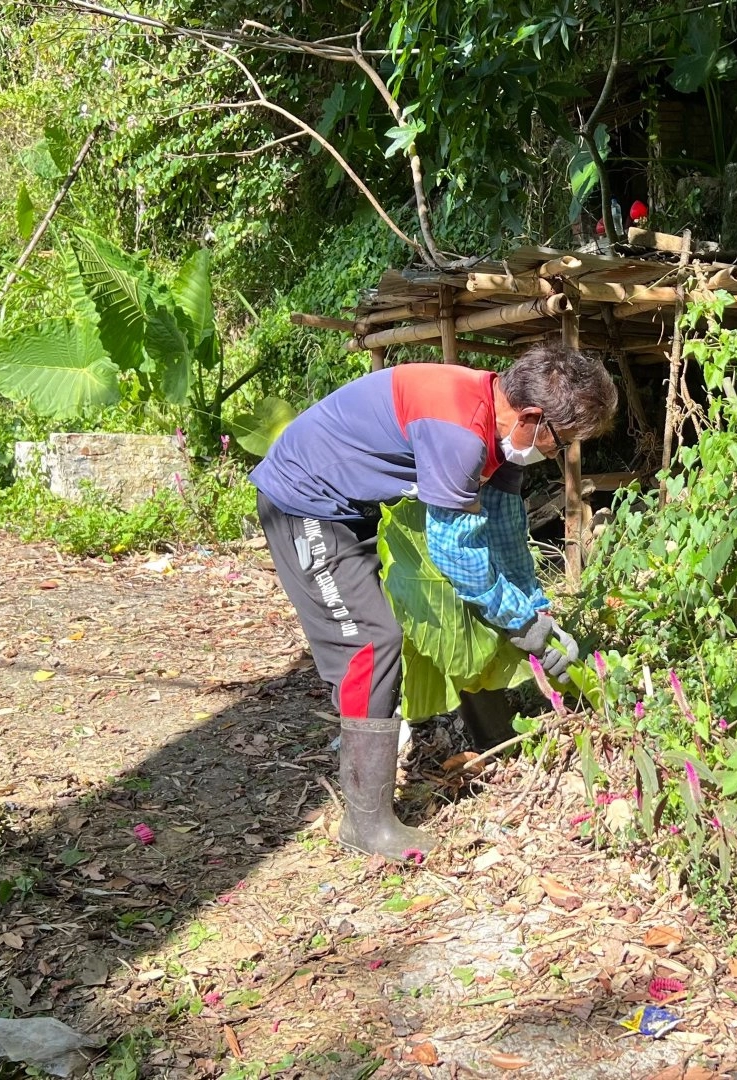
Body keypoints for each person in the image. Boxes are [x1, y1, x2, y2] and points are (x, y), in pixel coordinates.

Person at [249, 343, 617, 860]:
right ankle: (366, 823)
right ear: (533, 417)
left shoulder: (500, 427)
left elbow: (504, 532)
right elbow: (456, 551)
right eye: (560, 442)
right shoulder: (461, 431)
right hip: (303, 502)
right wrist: (519, 623)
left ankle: (496, 739)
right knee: (370, 646)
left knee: (460, 605)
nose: (557, 454)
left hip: (353, 505)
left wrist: (536, 612)